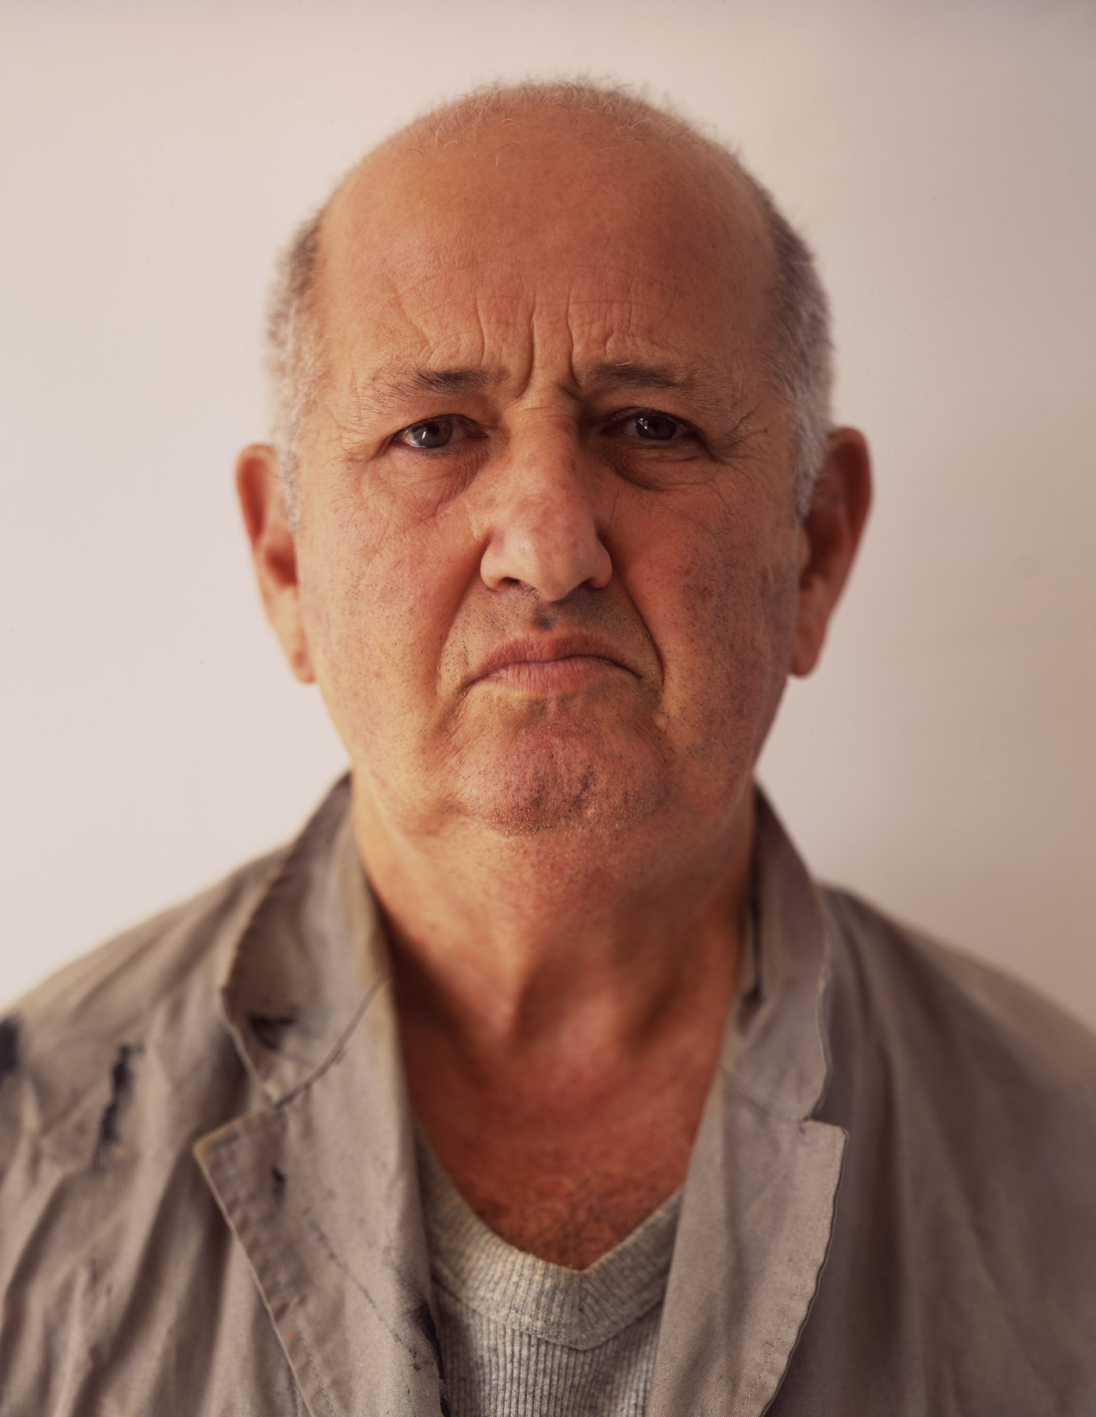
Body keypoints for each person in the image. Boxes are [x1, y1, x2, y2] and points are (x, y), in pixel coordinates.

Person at [1, 80, 1093, 1417]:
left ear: (814, 547)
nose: (547, 546)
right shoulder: (26, 1171)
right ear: (285, 561)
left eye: (652, 426)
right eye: (432, 433)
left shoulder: (1066, 1170)